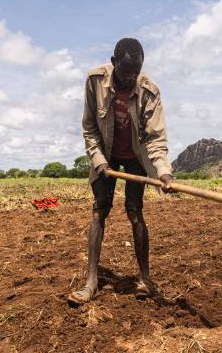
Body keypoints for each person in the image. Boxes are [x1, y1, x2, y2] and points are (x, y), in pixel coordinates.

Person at [68, 38, 174, 305]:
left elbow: (155, 139)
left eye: (135, 72)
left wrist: (163, 173)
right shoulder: (94, 81)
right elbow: (90, 126)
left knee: (135, 212)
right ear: (114, 63)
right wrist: (99, 160)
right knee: (98, 211)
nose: (130, 77)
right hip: (107, 152)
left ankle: (145, 278)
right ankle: (91, 281)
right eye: (125, 71)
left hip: (137, 157)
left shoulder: (150, 91)